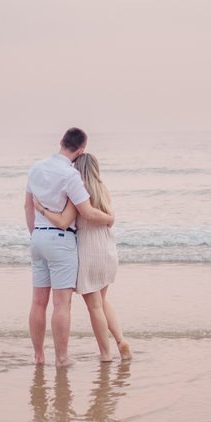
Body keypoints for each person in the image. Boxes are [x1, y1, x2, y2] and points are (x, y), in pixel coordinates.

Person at [25, 128, 115, 367]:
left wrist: (36, 234)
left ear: (61, 142)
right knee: (61, 304)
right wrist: (109, 218)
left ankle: (38, 357)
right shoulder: (70, 175)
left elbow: (27, 207)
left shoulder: (36, 167)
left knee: (37, 302)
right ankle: (62, 358)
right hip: (61, 241)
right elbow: (86, 212)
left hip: (38, 238)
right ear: (81, 150)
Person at [33, 152, 132, 362]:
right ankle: (120, 340)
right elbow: (106, 219)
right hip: (106, 249)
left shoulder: (79, 193)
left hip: (88, 251)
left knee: (94, 305)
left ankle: (106, 355)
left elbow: (63, 220)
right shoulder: (103, 190)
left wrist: (41, 209)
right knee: (103, 301)